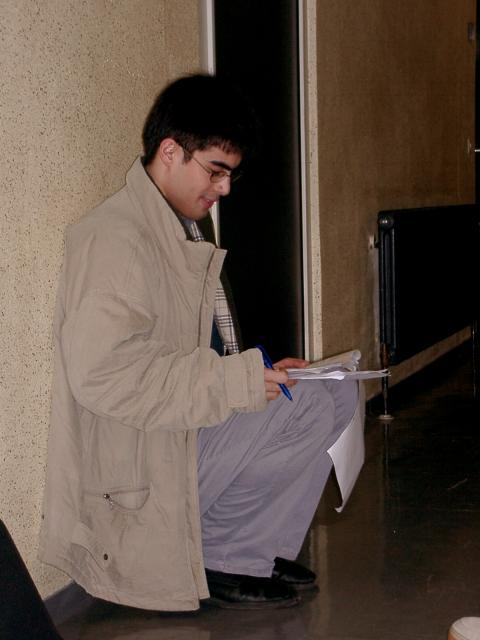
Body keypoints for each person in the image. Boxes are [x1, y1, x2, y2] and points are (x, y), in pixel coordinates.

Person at [39, 73, 363, 611]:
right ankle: (221, 554)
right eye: (215, 171)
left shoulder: (183, 227)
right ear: (170, 152)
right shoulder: (116, 238)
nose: (224, 189)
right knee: (302, 405)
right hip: (140, 462)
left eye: (230, 174)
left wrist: (261, 373)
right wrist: (236, 380)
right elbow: (105, 374)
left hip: (176, 431)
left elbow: (199, 354)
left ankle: (239, 549)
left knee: (334, 391)